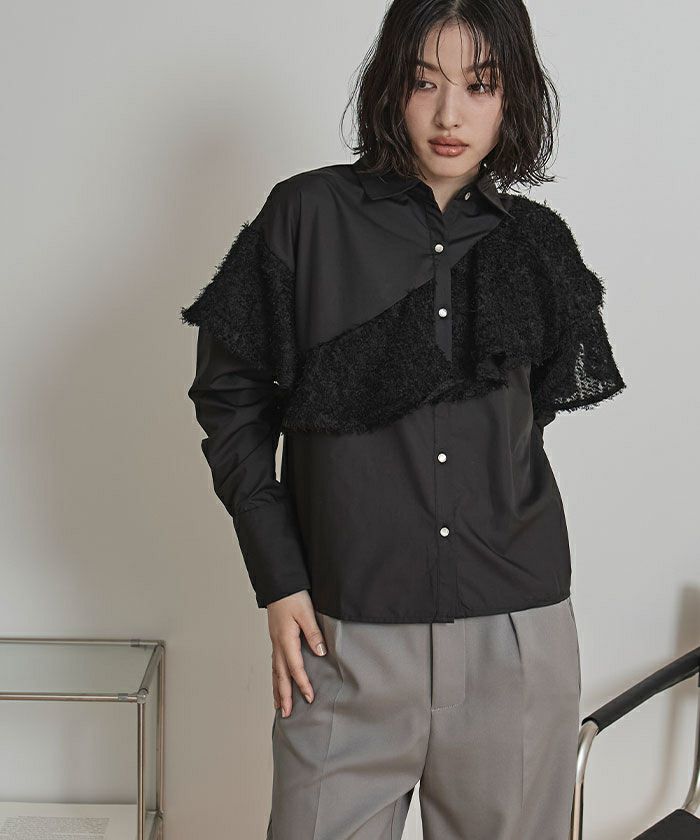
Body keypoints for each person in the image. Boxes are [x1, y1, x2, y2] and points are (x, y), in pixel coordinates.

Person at [180, 1, 626, 837]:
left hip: (514, 639)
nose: (451, 114)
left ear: (513, 96)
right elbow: (231, 400)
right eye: (426, 83)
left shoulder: (538, 245)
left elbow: (526, 422)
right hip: (343, 636)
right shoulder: (306, 216)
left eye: (480, 85)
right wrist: (279, 577)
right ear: (391, 87)